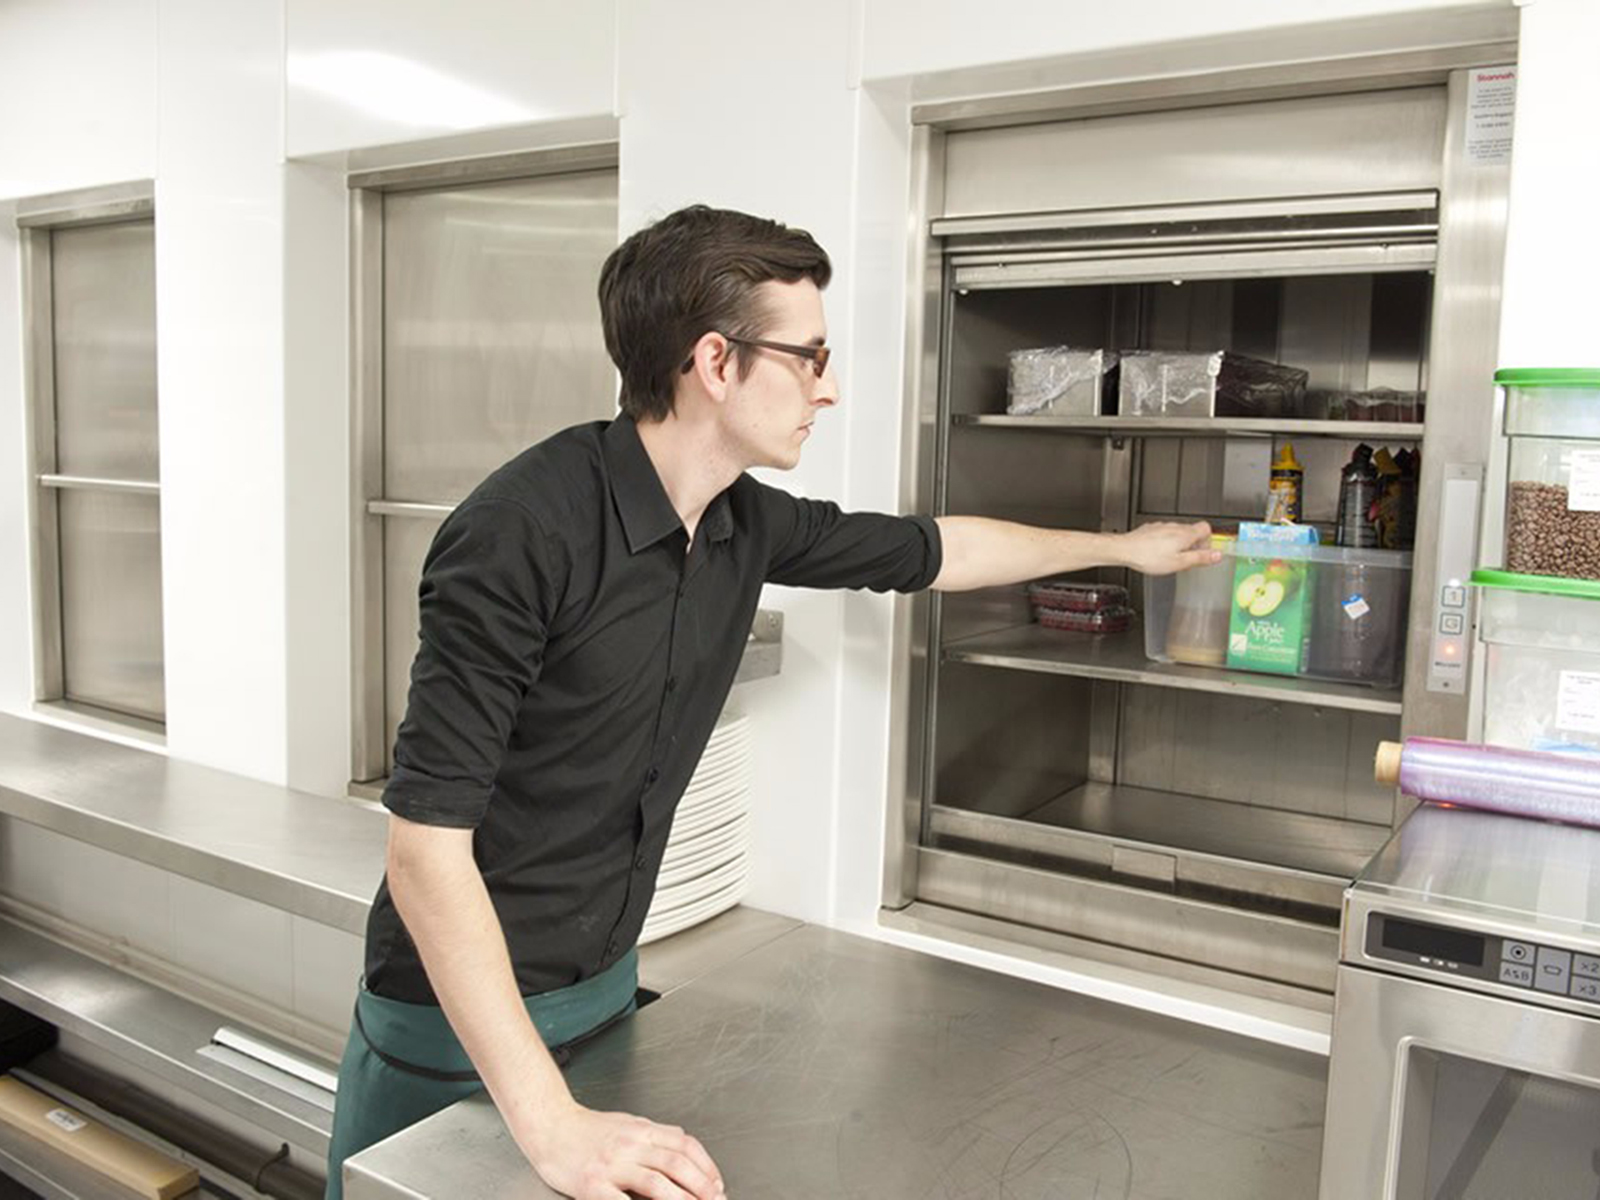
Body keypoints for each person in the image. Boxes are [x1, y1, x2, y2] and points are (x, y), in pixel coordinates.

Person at [325, 204, 1218, 1200]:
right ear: (716, 362)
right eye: (810, 358)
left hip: (603, 994)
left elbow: (941, 550)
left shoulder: (743, 521)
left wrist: (1126, 550)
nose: (827, 389)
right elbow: (424, 850)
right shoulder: (520, 533)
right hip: (453, 1018)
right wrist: (552, 1125)